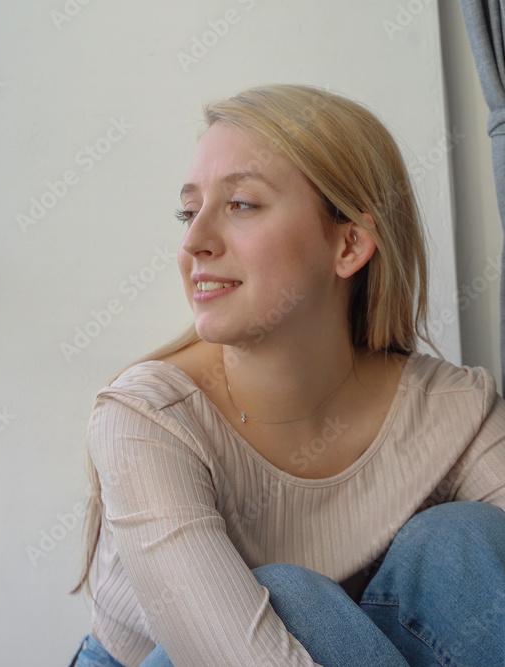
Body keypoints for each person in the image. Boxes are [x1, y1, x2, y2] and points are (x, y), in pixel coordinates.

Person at [68, 84, 505, 667]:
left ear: (349, 244)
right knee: (290, 599)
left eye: (241, 205)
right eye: (188, 210)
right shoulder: (148, 418)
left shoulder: (450, 407)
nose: (194, 242)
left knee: (464, 542)